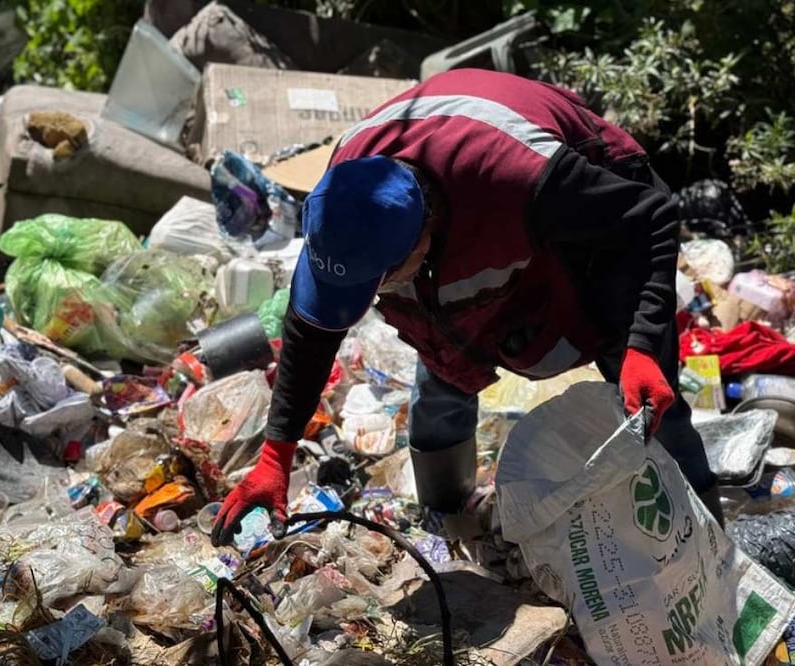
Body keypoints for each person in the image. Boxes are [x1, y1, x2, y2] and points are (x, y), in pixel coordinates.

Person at [211, 68, 723, 546]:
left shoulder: (521, 177)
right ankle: (447, 521)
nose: (379, 295)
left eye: (384, 281)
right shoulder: (345, 200)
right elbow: (310, 332)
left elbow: (650, 217)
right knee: (441, 369)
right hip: (476, 220)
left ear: (423, 236)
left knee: (651, 403)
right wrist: (276, 456)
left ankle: (707, 544)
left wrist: (641, 347)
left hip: (598, 224)